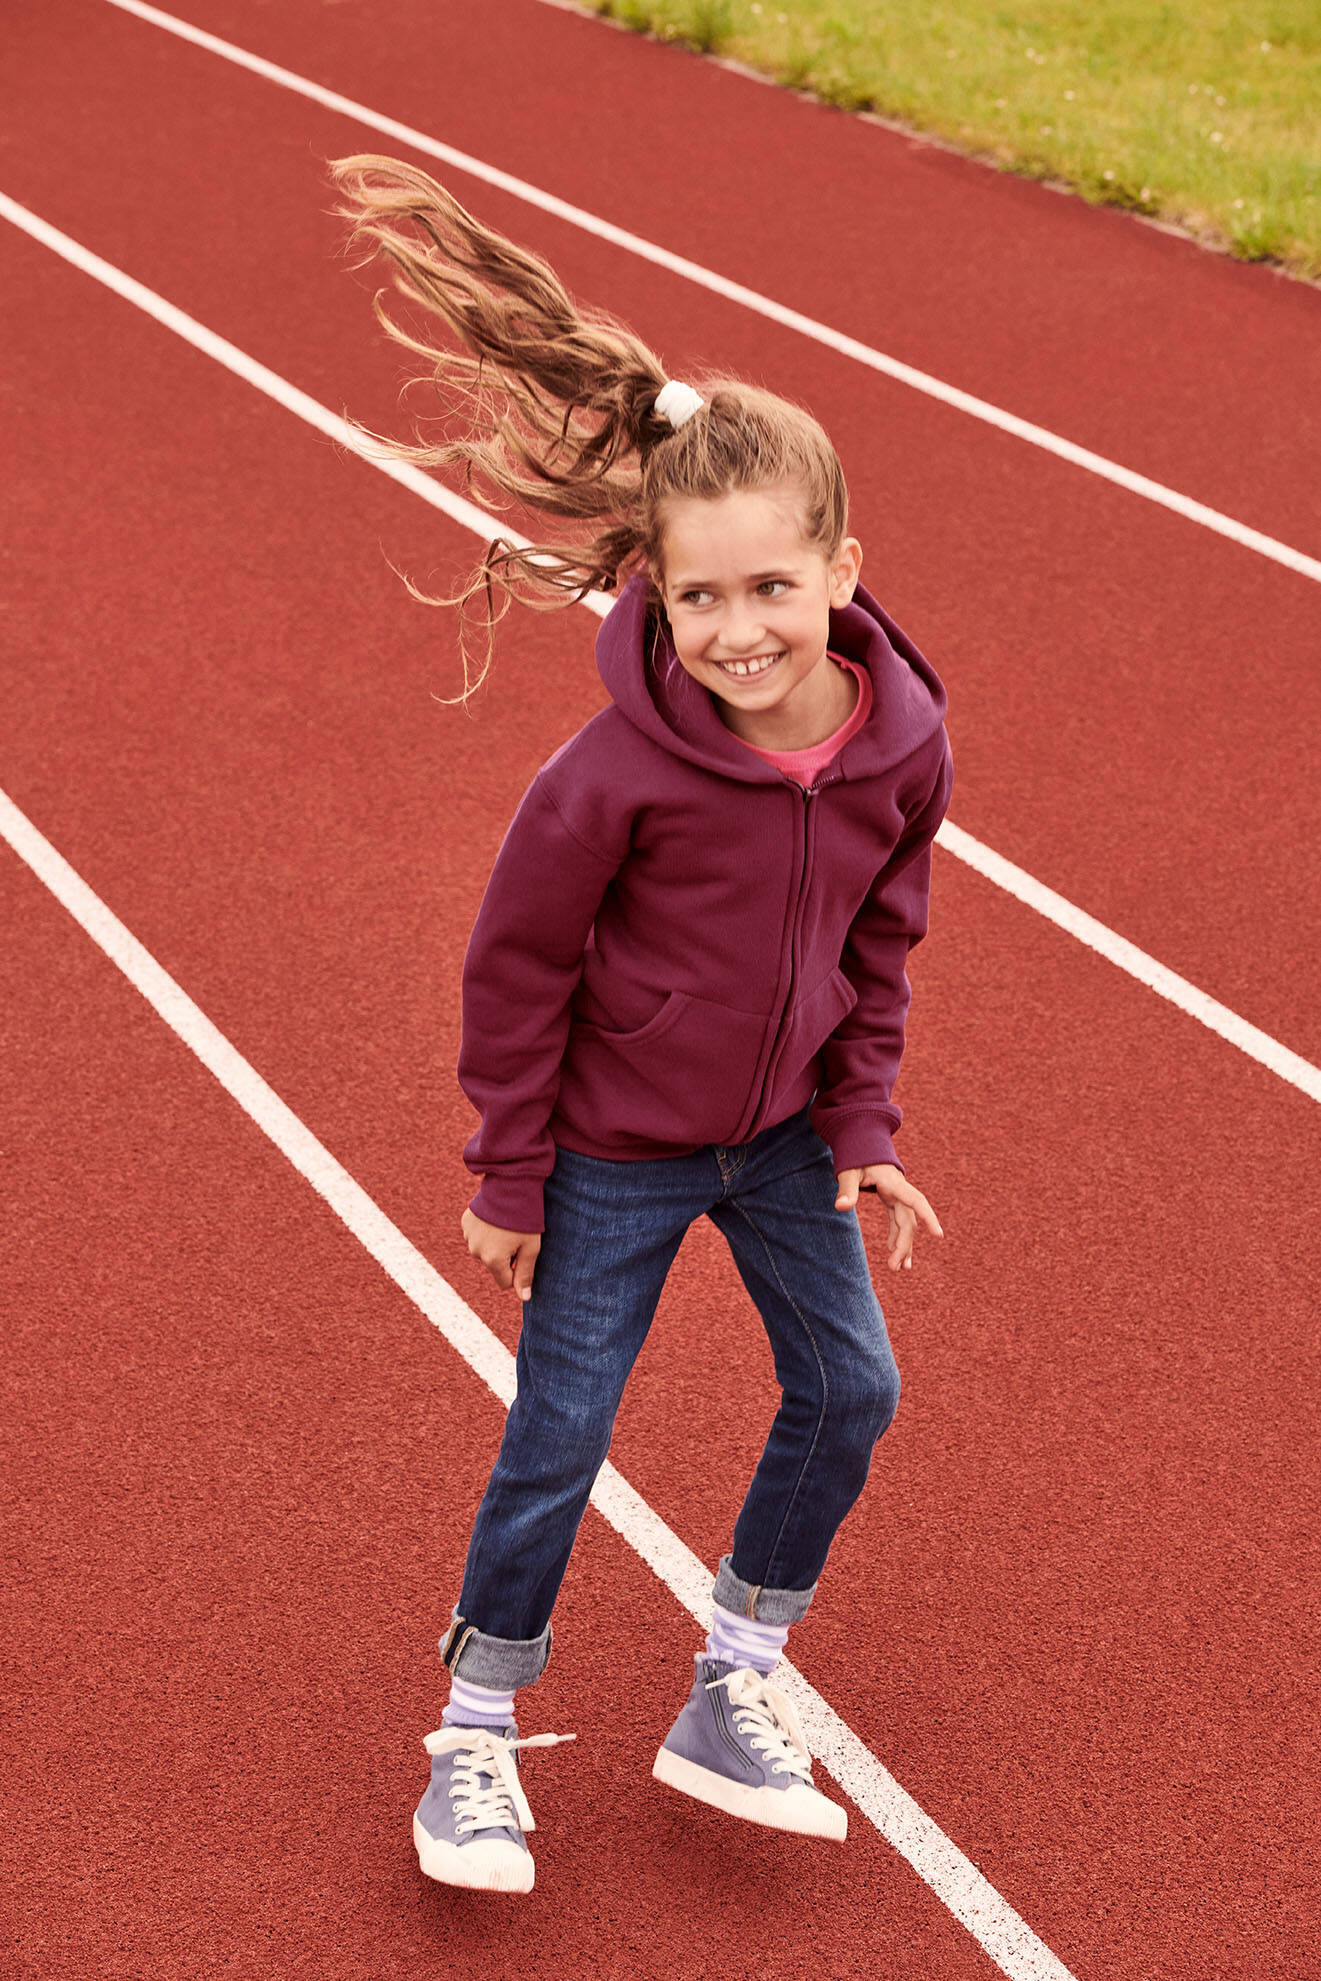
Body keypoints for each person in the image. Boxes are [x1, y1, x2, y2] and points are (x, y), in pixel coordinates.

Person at [332, 153, 953, 1894]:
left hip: (782, 1144)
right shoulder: (611, 771)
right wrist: (508, 1169)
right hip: (611, 1150)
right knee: (562, 1432)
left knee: (852, 1387)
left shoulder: (904, 744)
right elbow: (515, 963)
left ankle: (733, 1677)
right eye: (700, 599)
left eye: (772, 589)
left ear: (841, 568)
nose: (739, 632)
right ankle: (474, 1727)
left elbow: (882, 937)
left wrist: (863, 1126)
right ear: (650, 598)